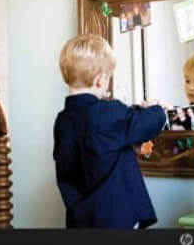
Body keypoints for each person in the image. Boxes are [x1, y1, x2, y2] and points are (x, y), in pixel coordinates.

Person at [53, 34, 168, 229]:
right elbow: (148, 122)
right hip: (116, 217)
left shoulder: (63, 121)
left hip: (80, 220)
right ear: (100, 80)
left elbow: (98, 146)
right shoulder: (107, 112)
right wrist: (158, 109)